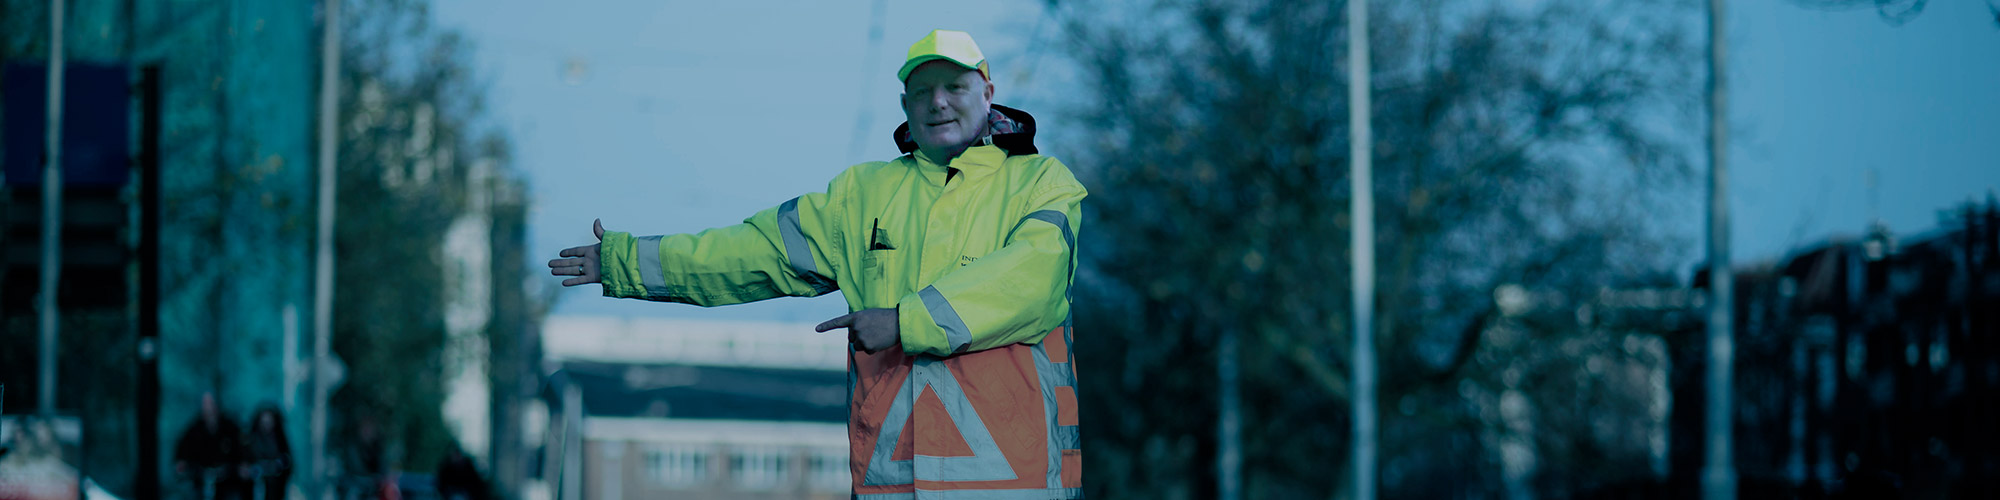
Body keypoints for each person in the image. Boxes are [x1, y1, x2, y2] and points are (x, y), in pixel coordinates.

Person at [548, 29, 1085, 498]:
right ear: (904, 105)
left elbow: (1030, 280)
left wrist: (904, 322)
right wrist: (626, 262)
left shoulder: (1040, 183)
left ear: (988, 94)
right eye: (922, 91)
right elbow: (750, 251)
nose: (938, 102)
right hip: (892, 486)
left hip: (1015, 486)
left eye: (955, 87)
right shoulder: (861, 196)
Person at [173, 392, 245, 500]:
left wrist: (242, 464)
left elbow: (241, 447)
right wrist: (182, 462)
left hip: (227, 479)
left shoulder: (229, 427)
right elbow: (183, 448)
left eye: (211, 404)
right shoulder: (195, 429)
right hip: (201, 478)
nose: (209, 409)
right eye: (205, 404)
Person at [240, 405, 292, 500]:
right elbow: (244, 462)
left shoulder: (280, 439)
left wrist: (278, 466)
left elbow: (288, 462)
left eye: (269, 421)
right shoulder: (252, 439)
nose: (267, 424)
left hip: (274, 486)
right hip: (256, 485)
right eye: (264, 421)